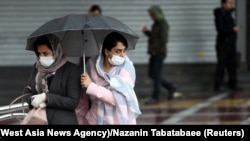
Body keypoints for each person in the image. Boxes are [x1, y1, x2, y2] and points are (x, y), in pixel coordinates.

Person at [78, 32, 141, 124]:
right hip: (94, 119)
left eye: (124, 51)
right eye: (118, 51)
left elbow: (118, 99)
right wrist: (81, 120)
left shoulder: (127, 69)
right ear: (107, 52)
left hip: (118, 120)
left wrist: (91, 86)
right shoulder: (91, 65)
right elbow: (83, 98)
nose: (122, 55)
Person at [24, 35, 82, 125]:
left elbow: (72, 102)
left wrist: (46, 98)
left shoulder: (71, 70)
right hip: (38, 120)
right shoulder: (37, 68)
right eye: (39, 54)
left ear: (56, 51)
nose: (42, 57)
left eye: (46, 53)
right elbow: (28, 91)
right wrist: (32, 100)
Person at [142, 5, 177, 105]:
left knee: (156, 75)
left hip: (159, 52)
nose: (150, 17)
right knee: (152, 74)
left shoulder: (163, 24)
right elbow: (154, 37)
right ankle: (171, 87)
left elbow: (163, 39)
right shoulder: (156, 24)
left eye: (151, 15)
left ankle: (155, 97)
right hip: (154, 52)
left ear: (156, 14)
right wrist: (147, 32)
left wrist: (155, 50)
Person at [213, 0, 241, 93]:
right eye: (229, 3)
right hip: (223, 44)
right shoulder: (220, 14)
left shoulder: (228, 14)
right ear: (223, 4)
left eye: (232, 3)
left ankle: (233, 84)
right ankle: (218, 85)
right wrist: (233, 29)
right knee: (221, 65)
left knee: (232, 65)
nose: (231, 5)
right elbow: (221, 29)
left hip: (230, 44)